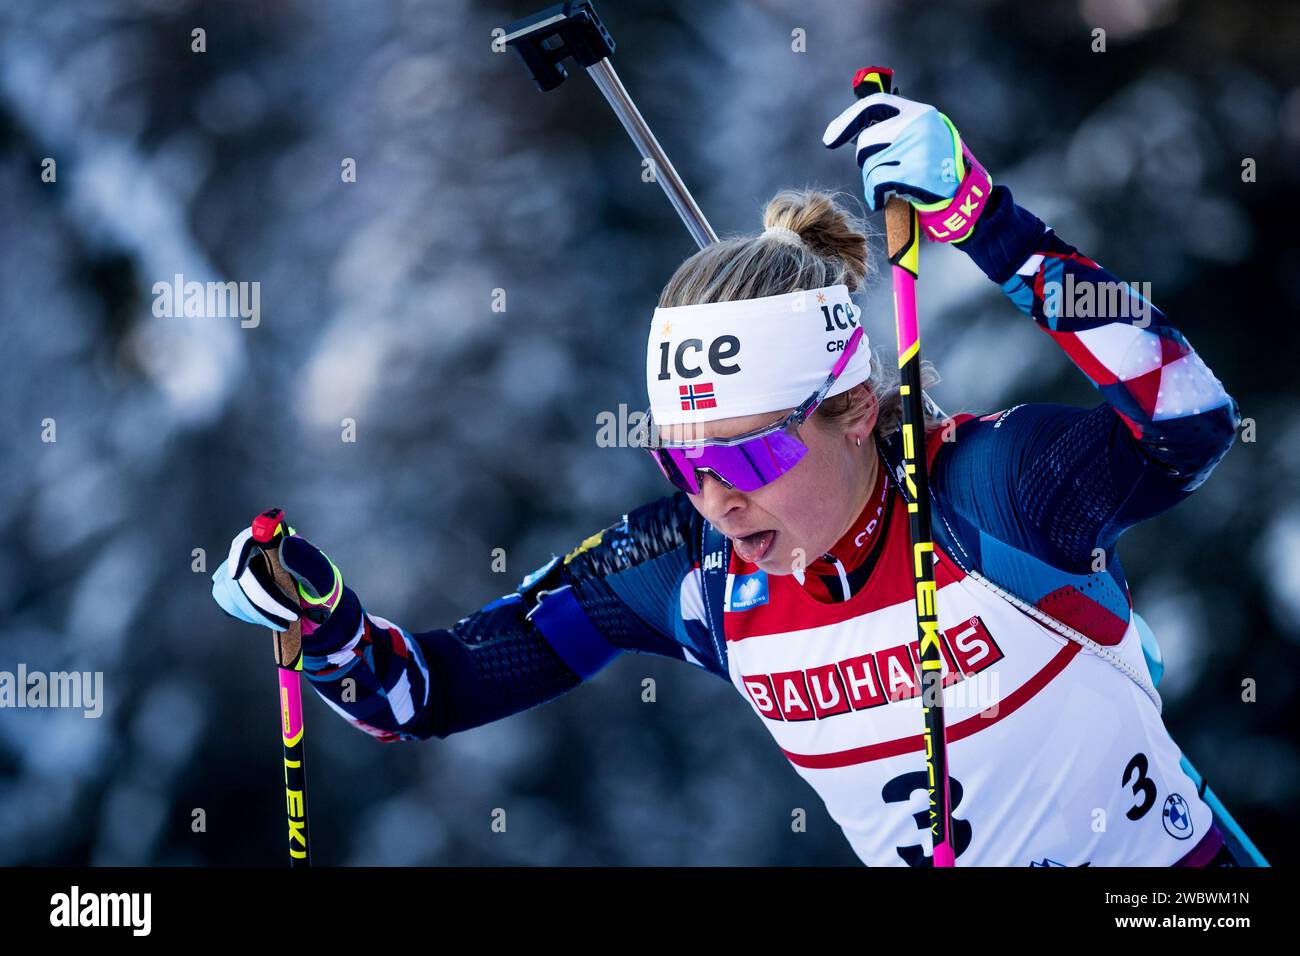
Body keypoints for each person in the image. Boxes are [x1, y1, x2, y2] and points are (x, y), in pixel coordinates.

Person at [212, 88, 1243, 866]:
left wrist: (985, 219)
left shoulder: (990, 492)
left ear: (856, 412)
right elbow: (422, 694)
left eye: (749, 454)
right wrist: (326, 624)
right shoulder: (691, 570)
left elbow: (1191, 424)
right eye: (683, 463)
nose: (717, 497)